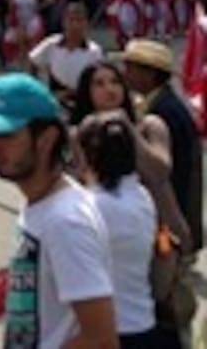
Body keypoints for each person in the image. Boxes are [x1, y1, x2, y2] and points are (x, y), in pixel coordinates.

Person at [0, 73, 117, 348]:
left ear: (46, 139)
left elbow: (101, 340)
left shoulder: (67, 223)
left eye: (6, 135)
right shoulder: (40, 201)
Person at [77, 112, 180, 349]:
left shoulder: (87, 206)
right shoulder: (143, 199)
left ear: (89, 156)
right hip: (143, 324)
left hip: (104, 331)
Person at [121, 39, 203, 252]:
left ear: (149, 74)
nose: (125, 73)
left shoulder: (164, 113)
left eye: (131, 68)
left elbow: (172, 172)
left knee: (166, 258)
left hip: (170, 212)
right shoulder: (158, 103)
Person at [30, 2, 103, 104]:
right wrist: (38, 89)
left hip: (83, 100)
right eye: (71, 20)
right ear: (64, 22)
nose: (75, 25)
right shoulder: (51, 44)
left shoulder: (94, 51)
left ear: (86, 24)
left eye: (79, 21)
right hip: (56, 99)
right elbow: (33, 62)